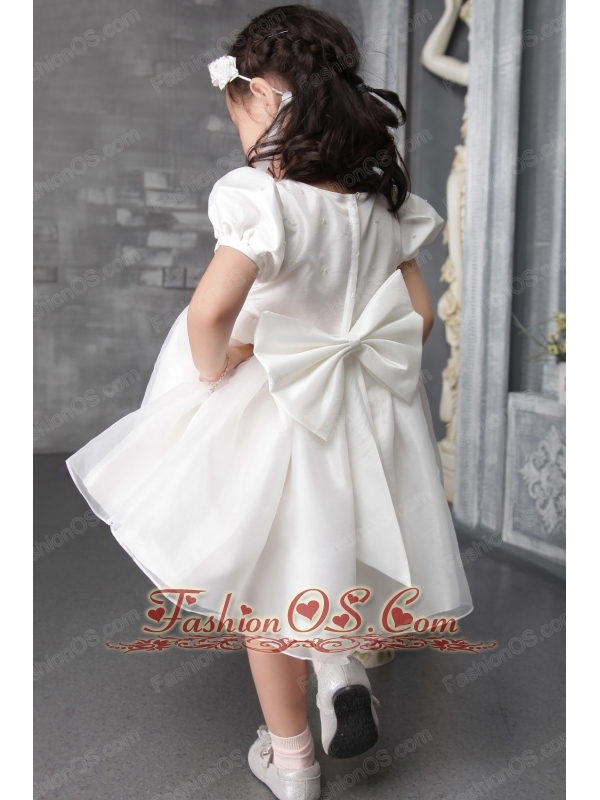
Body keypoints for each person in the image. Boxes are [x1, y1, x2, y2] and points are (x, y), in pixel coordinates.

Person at [66, 6, 473, 799]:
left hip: (275, 407)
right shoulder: (383, 200)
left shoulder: (264, 198)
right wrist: (354, 355)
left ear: (259, 98)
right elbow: (420, 319)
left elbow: (210, 314)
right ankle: (339, 663)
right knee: (339, 544)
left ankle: (293, 766)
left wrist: (219, 366)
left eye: (239, 114)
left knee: (265, 584)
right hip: (360, 410)